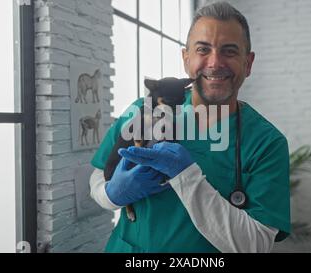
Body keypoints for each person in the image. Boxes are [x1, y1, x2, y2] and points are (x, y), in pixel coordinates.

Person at [89, 1, 290, 253]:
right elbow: (98, 176)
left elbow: (257, 245)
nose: (215, 62)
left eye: (229, 51)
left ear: (248, 63)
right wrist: (113, 195)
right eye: (203, 49)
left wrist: (187, 176)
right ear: (186, 59)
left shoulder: (266, 143)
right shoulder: (142, 109)